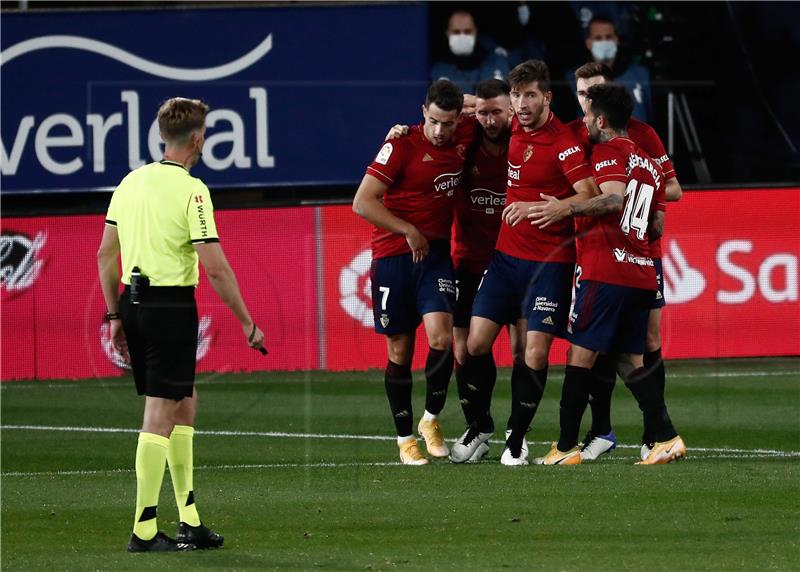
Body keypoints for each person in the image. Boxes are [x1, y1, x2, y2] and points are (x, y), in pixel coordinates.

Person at [97, 97, 266, 552]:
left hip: (133, 304)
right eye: (206, 132)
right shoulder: (193, 191)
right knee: (160, 413)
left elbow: (105, 254)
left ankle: (189, 519)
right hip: (170, 307)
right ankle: (144, 529)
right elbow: (215, 267)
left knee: (184, 400)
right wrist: (247, 321)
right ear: (196, 139)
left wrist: (115, 316)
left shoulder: (129, 183)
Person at [529, 83, 685, 465]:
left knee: (579, 356)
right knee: (628, 360)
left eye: (586, 116)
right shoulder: (648, 163)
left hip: (607, 271)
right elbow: (657, 227)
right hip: (642, 274)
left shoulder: (608, 150)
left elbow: (614, 198)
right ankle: (665, 437)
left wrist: (566, 209)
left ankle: (565, 449)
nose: (583, 122)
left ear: (601, 119)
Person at [455, 60, 599, 466]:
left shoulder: (564, 142)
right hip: (504, 261)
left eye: (530, 95)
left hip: (549, 265)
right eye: (516, 96)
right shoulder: (514, 123)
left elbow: (588, 194)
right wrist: (405, 127)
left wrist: (550, 209)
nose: (521, 104)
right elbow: (462, 102)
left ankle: (516, 439)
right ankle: (480, 425)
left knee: (534, 355)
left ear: (547, 97)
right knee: (474, 344)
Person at [352, 80, 477, 466]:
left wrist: (470, 104)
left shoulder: (465, 133)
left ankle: (430, 420)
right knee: (400, 350)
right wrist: (408, 230)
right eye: (435, 121)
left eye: (449, 123)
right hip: (393, 256)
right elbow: (362, 202)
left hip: (435, 255)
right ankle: (405, 439)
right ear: (423, 112)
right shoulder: (401, 145)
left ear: (460, 118)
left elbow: (496, 101)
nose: (441, 131)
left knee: (442, 339)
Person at [566, 17, 652, 123]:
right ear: (588, 43)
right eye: (598, 38)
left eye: (608, 37)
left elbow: (651, 116)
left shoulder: (640, 74)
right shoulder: (573, 78)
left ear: (616, 40)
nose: (604, 42)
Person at [430, 9, 510, 94]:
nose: (462, 36)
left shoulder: (496, 63)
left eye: (467, 31)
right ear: (447, 33)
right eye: (456, 32)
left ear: (475, 32)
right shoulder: (438, 69)